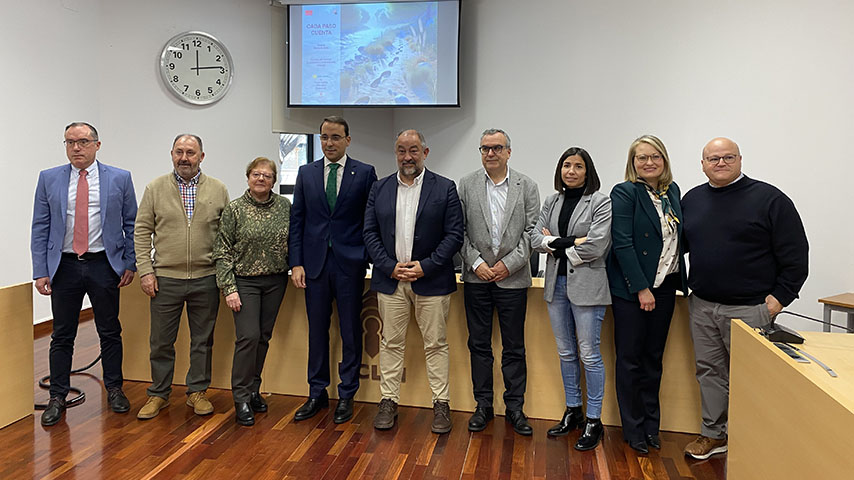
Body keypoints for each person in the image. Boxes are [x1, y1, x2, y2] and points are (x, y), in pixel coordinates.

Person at [681, 137, 808, 459]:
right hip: (703, 305)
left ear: (739, 159)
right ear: (702, 163)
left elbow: (796, 256)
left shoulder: (769, 199)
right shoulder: (692, 200)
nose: (720, 163)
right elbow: (675, 246)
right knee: (709, 372)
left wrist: (780, 299)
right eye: (713, 159)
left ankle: (755, 443)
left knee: (753, 377)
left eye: (727, 157)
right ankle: (714, 434)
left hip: (751, 309)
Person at [31, 122, 138, 426]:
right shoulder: (49, 178)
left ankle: (115, 388)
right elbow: (40, 226)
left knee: (109, 330)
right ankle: (57, 396)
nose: (76, 148)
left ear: (97, 145)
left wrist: (130, 262)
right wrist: (41, 269)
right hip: (63, 266)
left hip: (103, 264)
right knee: (62, 334)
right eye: (69, 142)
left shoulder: (119, 178)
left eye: (82, 142)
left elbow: (131, 223)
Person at [363, 129, 463, 434]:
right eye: (402, 151)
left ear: (425, 152)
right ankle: (388, 401)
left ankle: (441, 404)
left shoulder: (445, 188)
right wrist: (390, 266)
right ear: (396, 153)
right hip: (390, 281)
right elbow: (369, 234)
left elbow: (454, 235)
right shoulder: (379, 189)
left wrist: (426, 266)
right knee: (390, 343)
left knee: (436, 344)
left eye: (414, 150)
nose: (408, 157)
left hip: (430, 281)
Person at [134, 134, 230, 420]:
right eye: (179, 152)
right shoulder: (155, 188)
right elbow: (141, 231)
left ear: (201, 156)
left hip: (206, 277)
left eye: (190, 152)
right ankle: (159, 394)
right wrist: (146, 271)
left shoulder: (218, 189)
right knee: (161, 341)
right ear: (172, 154)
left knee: (202, 340)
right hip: (165, 278)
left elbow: (226, 236)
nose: (184, 158)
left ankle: (197, 392)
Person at [289, 116, 377, 424]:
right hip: (314, 265)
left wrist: (365, 255)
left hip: (349, 264)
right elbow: (297, 221)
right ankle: (317, 392)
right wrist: (296, 262)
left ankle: (348, 393)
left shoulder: (364, 173)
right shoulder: (306, 173)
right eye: (325, 137)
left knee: (351, 330)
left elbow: (371, 221)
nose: (329, 143)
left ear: (348, 140)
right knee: (318, 331)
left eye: (336, 137)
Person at [606, 135, 688, 454]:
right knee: (630, 360)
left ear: (664, 160)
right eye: (642, 158)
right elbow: (623, 243)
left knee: (654, 359)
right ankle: (633, 428)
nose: (649, 162)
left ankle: (652, 425)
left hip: (665, 287)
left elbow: (676, 238)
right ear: (633, 163)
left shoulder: (672, 192)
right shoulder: (626, 192)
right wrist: (641, 288)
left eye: (655, 156)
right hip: (633, 291)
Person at [457, 128, 540, 435]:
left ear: (508, 152)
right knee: (479, 345)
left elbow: (531, 233)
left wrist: (508, 264)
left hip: (512, 280)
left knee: (514, 347)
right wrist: (477, 263)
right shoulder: (466, 184)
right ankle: (484, 406)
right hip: (477, 279)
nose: (490, 153)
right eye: (484, 149)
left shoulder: (526, 185)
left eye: (496, 148)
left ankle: (515, 408)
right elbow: (459, 230)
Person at [531, 147, 612, 450]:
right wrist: (570, 241)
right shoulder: (552, 201)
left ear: (587, 171)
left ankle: (594, 419)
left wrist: (555, 243)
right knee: (566, 353)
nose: (571, 171)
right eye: (567, 165)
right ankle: (573, 411)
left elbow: (597, 245)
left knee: (588, 354)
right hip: (556, 284)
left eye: (578, 166)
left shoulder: (600, 202)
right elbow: (534, 239)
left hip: (588, 287)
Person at [213, 157, 291, 426]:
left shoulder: (285, 207)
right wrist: (229, 287)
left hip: (276, 281)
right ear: (247, 177)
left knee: (263, 338)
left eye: (267, 175)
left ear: (274, 180)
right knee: (248, 337)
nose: (261, 179)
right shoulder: (234, 209)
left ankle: (254, 389)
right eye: (256, 174)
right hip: (244, 282)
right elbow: (221, 250)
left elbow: (294, 241)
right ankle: (241, 397)